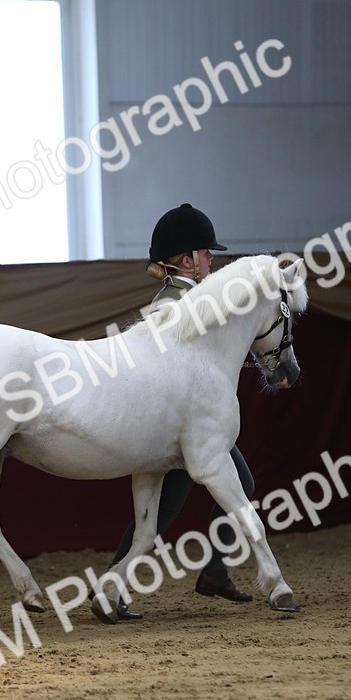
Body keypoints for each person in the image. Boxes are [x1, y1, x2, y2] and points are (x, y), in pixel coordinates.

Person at [105, 203, 256, 621]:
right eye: (206, 253)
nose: (212, 260)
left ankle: (211, 571)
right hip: (179, 425)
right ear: (187, 260)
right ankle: (211, 572)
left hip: (188, 424)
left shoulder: (192, 299)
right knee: (231, 487)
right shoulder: (172, 304)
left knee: (166, 511)